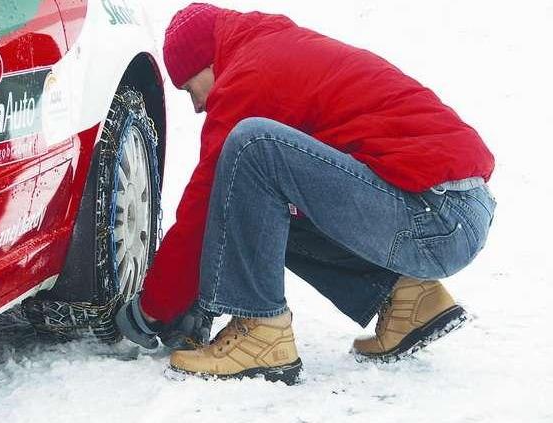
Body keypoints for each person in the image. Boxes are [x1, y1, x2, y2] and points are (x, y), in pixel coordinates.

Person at [115, 3, 496, 384]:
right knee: (259, 203)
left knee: (251, 145)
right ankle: (409, 299)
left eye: (189, 88)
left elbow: (204, 202)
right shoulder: (272, 50)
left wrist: (153, 308)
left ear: (204, 62)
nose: (197, 106)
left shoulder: (250, 74)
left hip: (438, 211)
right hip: (449, 207)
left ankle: (260, 330)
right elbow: (233, 209)